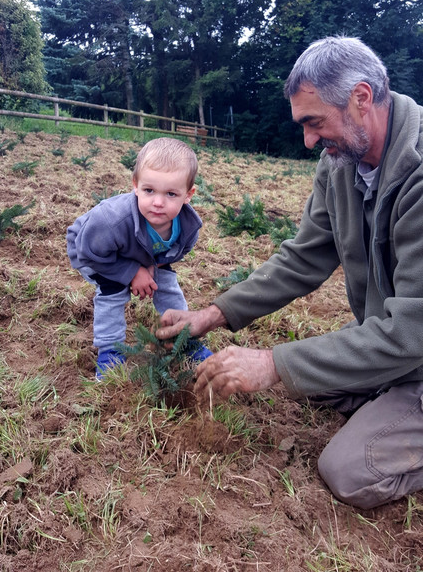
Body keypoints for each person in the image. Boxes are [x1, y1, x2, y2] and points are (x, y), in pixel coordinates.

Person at [156, 36, 423, 510]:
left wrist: (273, 363)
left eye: (314, 122)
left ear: (361, 98)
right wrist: (212, 315)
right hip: (399, 342)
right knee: (314, 389)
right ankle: (388, 393)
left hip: (416, 341)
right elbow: (304, 258)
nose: (308, 140)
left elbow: (413, 330)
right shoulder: (341, 164)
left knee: (349, 470)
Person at [67, 137, 212, 379]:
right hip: (97, 253)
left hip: (147, 254)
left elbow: (179, 252)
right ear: (135, 185)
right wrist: (132, 272)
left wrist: (152, 268)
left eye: (171, 194)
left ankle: (184, 339)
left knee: (168, 285)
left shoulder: (189, 226)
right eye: (149, 190)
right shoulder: (111, 221)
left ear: (189, 194)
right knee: (112, 291)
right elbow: (87, 251)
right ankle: (110, 350)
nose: (157, 202)